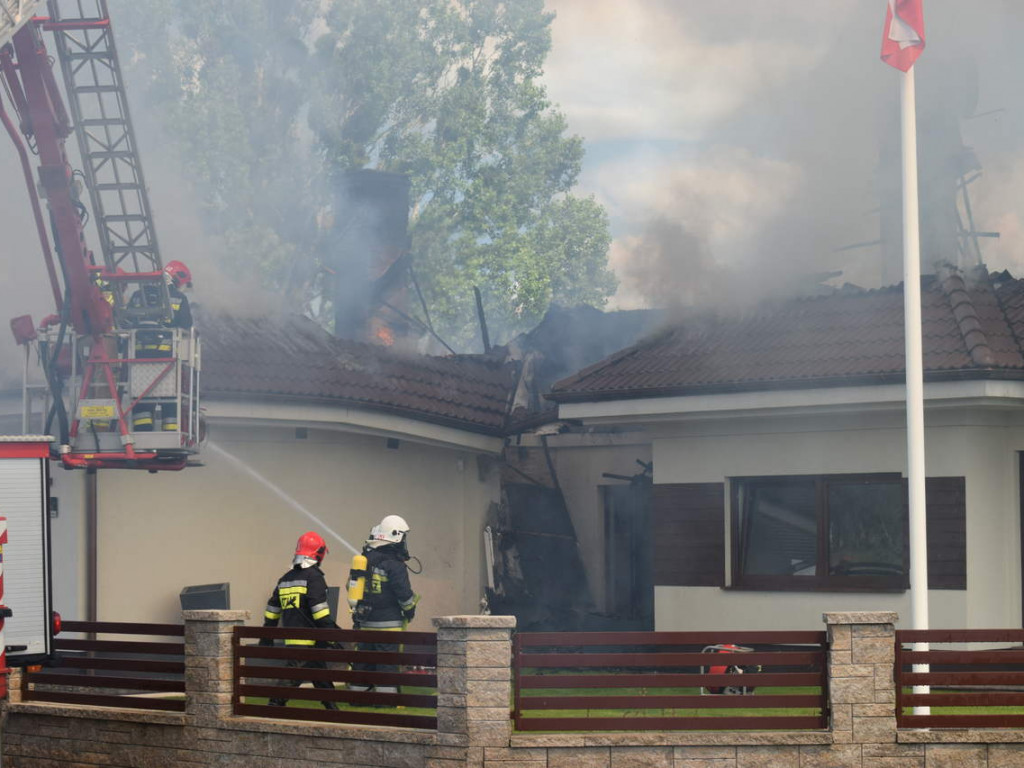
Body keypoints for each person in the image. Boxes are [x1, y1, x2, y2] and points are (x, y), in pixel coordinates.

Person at [261, 531, 340, 710]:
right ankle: (274, 705)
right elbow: (319, 610)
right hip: (309, 637)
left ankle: (332, 708)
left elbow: (273, 608)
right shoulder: (314, 577)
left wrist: (267, 633)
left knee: (320, 674)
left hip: (293, 637)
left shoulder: (285, 578)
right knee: (293, 674)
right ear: (318, 554)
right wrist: (331, 631)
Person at [348, 515, 420, 695]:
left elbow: (350, 585)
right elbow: (404, 595)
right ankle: (386, 699)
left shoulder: (364, 560)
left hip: (365, 623)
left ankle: (358, 698)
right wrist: (410, 610)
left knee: (363, 663)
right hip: (388, 626)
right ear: (396, 537)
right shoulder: (395, 565)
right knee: (387, 664)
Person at [130, 260, 193, 432]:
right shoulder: (179, 298)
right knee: (170, 397)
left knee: (141, 397)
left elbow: (126, 322)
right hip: (166, 359)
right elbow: (186, 325)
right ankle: (170, 431)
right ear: (177, 277)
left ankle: (142, 433)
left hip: (138, 358)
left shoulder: (137, 295)